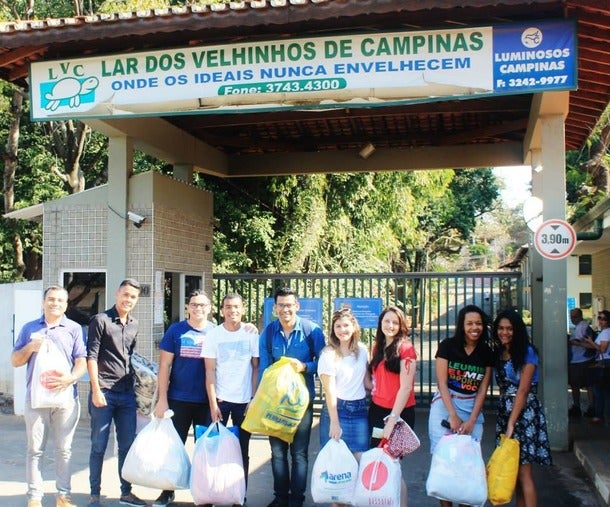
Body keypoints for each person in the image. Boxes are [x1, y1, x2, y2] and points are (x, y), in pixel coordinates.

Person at [11, 286, 87, 507]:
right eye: (51, 299)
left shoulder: (73, 329)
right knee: (35, 450)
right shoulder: (29, 328)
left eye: (60, 301)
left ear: (66, 305)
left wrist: (70, 379)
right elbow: (15, 360)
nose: (55, 304)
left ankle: (63, 495)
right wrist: (30, 347)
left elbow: (81, 360)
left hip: (65, 399)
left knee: (64, 450)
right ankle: (35, 497)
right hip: (36, 399)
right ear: (43, 302)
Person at [258, 287, 326, 507]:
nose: (285, 309)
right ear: (275, 307)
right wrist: (259, 399)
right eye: (281, 305)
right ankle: (280, 498)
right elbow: (264, 369)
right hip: (275, 404)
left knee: (299, 454)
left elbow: (324, 362)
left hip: (302, 404)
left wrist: (305, 366)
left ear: (297, 306)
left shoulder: (311, 330)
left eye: (289, 305)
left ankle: (297, 500)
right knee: (277, 453)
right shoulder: (268, 333)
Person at [86, 279, 146, 507]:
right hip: (104, 392)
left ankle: (126, 492)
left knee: (127, 446)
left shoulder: (134, 324)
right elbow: (91, 356)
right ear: (117, 294)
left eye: (133, 297)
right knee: (98, 446)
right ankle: (94, 495)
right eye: (126, 294)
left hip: (127, 394)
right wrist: (95, 390)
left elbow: (132, 358)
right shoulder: (100, 321)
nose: (128, 299)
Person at [152, 290, 215, 507]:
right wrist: (162, 399)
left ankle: (203, 494)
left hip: (206, 402)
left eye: (203, 305)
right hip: (178, 399)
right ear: (187, 307)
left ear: (210, 308)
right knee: (173, 448)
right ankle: (167, 491)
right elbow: (164, 366)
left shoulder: (216, 332)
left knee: (205, 450)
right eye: (194, 304)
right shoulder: (176, 330)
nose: (198, 309)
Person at [428, 304, 494, 507]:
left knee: (468, 465)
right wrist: (452, 415)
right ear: (462, 325)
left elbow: (482, 389)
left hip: (472, 408)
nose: (475, 327)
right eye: (470, 323)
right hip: (444, 407)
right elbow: (442, 383)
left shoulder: (486, 352)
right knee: (444, 464)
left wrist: (472, 420)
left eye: (478, 323)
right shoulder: (448, 346)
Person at [202, 293, 259, 506]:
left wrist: (252, 398)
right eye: (228, 307)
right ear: (222, 309)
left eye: (236, 307)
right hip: (221, 401)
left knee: (241, 450)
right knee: (214, 449)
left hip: (244, 403)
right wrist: (213, 403)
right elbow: (209, 371)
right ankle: (212, 493)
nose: (232, 311)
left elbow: (255, 368)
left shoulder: (251, 334)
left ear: (242, 309)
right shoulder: (214, 336)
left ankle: (238, 495)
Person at [492, 310, 552, 507]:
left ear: (517, 330)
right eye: (501, 328)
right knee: (514, 472)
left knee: (525, 473)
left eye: (509, 328)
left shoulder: (527, 352)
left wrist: (511, 423)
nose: (505, 332)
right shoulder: (500, 352)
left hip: (524, 414)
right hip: (506, 412)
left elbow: (524, 390)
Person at [318, 308, 370, 507]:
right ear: (333, 329)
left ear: (354, 327)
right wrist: (334, 422)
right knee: (337, 469)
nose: (342, 330)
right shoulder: (328, 354)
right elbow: (329, 392)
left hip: (358, 412)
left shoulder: (363, 351)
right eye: (338, 326)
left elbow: (366, 382)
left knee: (359, 463)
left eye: (346, 325)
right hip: (336, 411)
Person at [368, 305, 416, 507]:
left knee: (393, 464)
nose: (390, 325)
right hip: (377, 411)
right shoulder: (377, 347)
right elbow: (375, 379)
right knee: (378, 463)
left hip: (399, 414)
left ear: (401, 325)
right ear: (380, 323)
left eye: (395, 322)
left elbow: (405, 389)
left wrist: (393, 420)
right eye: (386, 321)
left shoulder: (407, 349)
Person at [583, 309, 610, 424]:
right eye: (599, 318)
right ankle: (603, 415)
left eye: (604, 319)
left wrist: (591, 341)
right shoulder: (604, 332)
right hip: (605, 361)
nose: (601, 321)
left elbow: (602, 349)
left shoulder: (606, 332)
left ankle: (600, 415)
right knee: (603, 390)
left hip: (605, 362)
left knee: (599, 390)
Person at [568, 308, 596, 417]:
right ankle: (589, 407)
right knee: (587, 385)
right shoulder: (581, 327)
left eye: (574, 317)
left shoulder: (582, 327)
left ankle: (578, 407)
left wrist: (576, 343)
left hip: (581, 360)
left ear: (580, 316)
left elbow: (579, 341)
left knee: (577, 384)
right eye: (571, 317)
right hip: (580, 359)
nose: (572, 319)